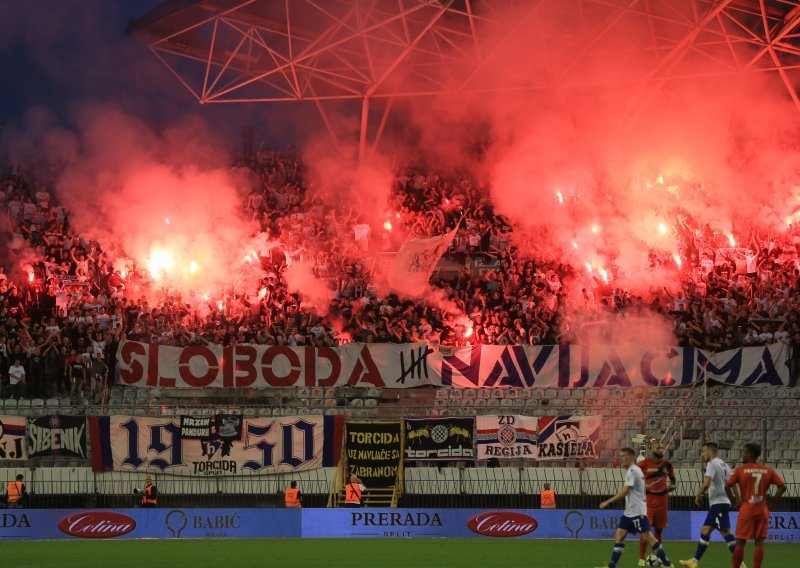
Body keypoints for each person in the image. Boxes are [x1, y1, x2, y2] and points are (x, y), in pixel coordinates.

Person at [596, 448, 673, 568]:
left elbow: (625, 492)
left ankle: (668, 564)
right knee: (619, 536)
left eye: (624, 456)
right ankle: (611, 566)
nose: (621, 458)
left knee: (648, 537)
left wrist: (607, 502)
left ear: (632, 457)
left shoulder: (633, 470)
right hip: (629, 512)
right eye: (620, 456)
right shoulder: (633, 470)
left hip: (637, 512)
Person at [680, 442, 742, 568]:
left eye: (704, 451)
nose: (702, 454)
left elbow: (707, 483)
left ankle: (740, 564)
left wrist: (698, 494)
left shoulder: (712, 464)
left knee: (725, 533)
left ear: (710, 452)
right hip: (723, 503)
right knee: (706, 530)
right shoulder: (725, 465)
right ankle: (694, 561)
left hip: (718, 504)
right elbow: (733, 484)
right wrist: (737, 500)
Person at [726, 443, 786, 568]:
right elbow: (782, 486)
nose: (742, 454)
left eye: (743, 452)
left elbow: (727, 486)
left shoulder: (739, 470)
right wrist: (773, 501)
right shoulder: (767, 470)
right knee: (759, 542)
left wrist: (734, 502)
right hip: (761, 510)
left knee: (740, 542)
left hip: (746, 510)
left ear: (749, 454)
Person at [638, 441, 676, 566]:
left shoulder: (667, 464)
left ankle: (656, 554)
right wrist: (643, 488)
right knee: (646, 530)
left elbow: (674, 482)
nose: (661, 449)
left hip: (662, 502)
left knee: (659, 531)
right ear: (652, 450)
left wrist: (671, 487)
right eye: (658, 447)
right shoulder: (644, 464)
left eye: (662, 447)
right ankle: (642, 558)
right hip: (648, 502)